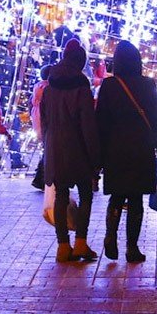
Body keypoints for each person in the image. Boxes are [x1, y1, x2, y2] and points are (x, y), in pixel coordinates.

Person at [95, 41, 157, 263]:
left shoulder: (108, 86)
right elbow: (156, 117)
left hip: (115, 149)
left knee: (117, 196)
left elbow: (101, 122)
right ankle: (132, 248)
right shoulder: (148, 84)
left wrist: (99, 153)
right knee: (135, 199)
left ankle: (110, 235)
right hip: (141, 148)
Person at [39, 39, 101, 263]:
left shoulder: (49, 88)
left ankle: (63, 246)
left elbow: (44, 122)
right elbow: (88, 125)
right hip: (79, 149)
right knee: (86, 195)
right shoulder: (81, 87)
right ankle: (81, 243)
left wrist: (49, 144)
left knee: (61, 196)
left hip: (55, 148)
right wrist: (95, 158)